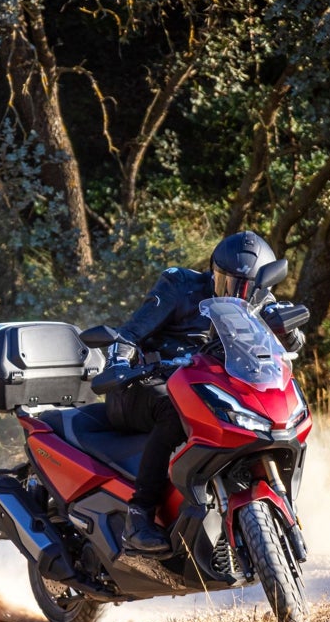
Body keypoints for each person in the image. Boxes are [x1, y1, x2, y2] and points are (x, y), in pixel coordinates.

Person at [107, 231, 306, 555]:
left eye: (244, 287)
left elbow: (289, 344)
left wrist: (289, 330)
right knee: (173, 411)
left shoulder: (260, 302)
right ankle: (139, 515)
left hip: (206, 386)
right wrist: (117, 363)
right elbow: (128, 334)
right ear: (213, 270)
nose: (234, 293)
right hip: (145, 383)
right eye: (226, 282)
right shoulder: (179, 285)